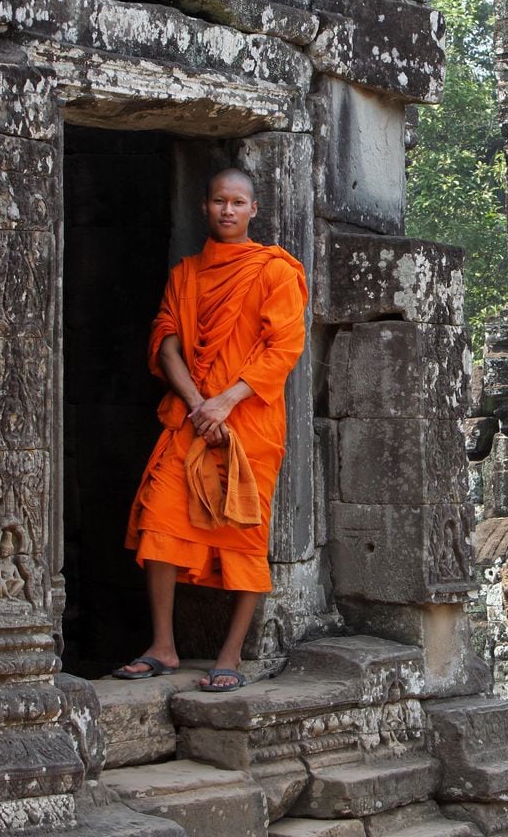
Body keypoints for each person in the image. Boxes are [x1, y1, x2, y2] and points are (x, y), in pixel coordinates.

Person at [115, 168, 307, 691]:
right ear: (205, 207)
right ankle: (163, 646)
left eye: (238, 202)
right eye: (219, 200)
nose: (228, 210)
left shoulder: (274, 270)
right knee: (160, 522)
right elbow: (166, 341)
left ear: (254, 209)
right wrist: (200, 403)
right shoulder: (186, 274)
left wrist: (226, 402)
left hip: (249, 420)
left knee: (245, 536)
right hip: (191, 417)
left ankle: (230, 655)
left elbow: (284, 347)